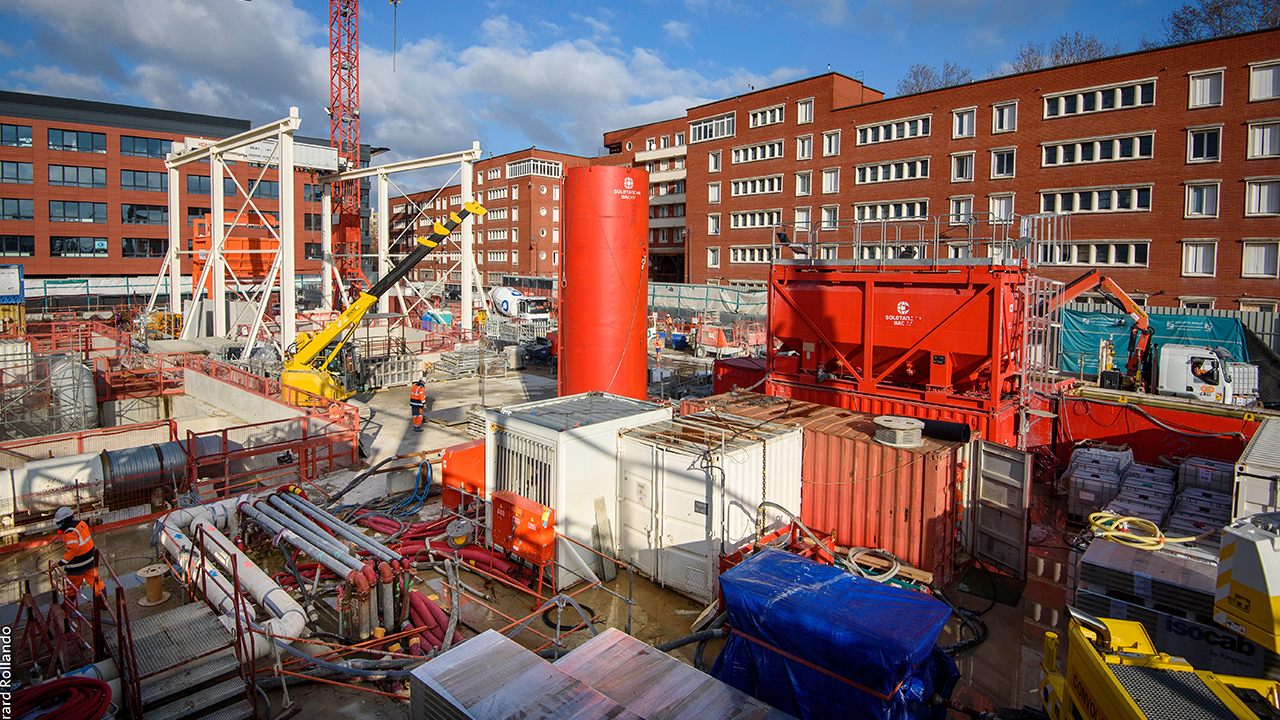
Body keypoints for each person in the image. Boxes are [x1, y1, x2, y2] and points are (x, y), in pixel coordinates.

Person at [55, 507, 104, 598]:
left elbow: (73, 549)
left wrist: (61, 562)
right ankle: (102, 602)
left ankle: (68, 605)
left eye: (59, 522)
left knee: (71, 589)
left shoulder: (70, 532)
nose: (58, 525)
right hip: (90, 560)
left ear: (65, 520)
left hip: (77, 565)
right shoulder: (82, 524)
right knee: (96, 582)